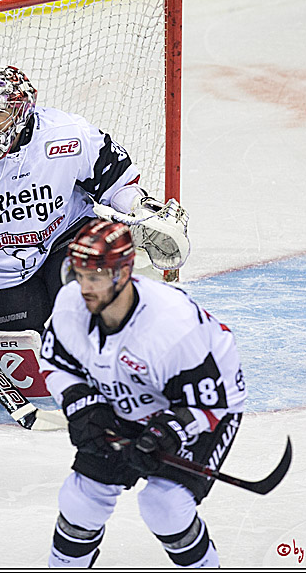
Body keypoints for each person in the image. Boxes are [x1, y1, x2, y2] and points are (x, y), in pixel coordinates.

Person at [0, 66, 189, 338]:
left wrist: (139, 210)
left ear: (24, 111)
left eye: (0, 113)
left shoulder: (68, 133)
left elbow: (114, 178)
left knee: (94, 306)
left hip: (66, 240)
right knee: (19, 331)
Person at [38, 220, 246, 567]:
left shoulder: (171, 327)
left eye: (96, 276)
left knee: (165, 506)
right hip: (126, 395)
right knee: (82, 498)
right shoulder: (69, 305)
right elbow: (57, 365)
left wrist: (168, 432)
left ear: (122, 274)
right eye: (79, 273)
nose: (84, 287)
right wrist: (83, 407)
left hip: (201, 406)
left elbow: (211, 403)